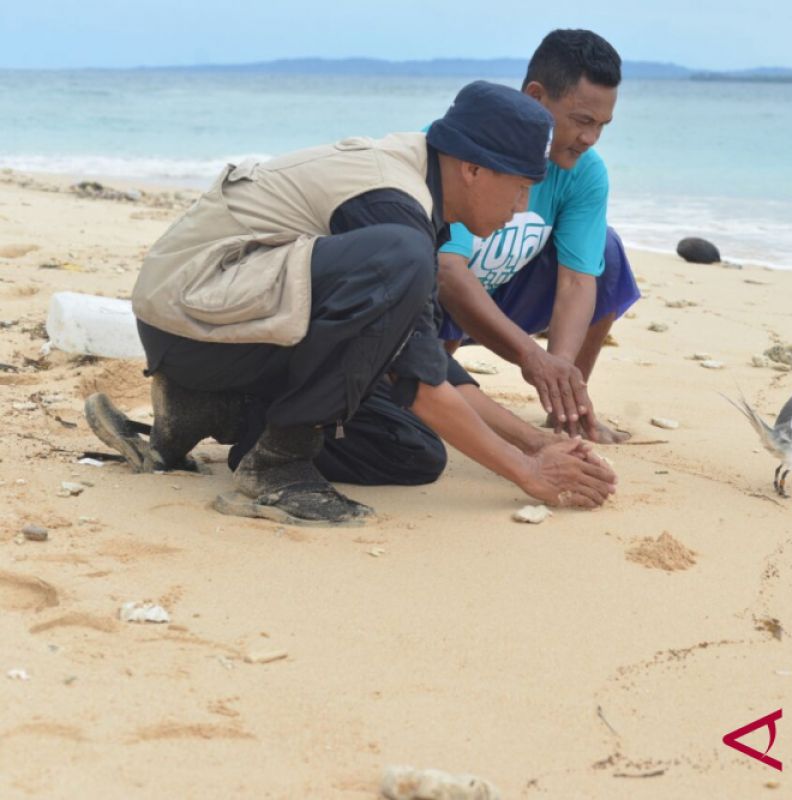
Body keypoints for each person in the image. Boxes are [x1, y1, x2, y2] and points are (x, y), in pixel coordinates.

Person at [84, 81, 617, 527]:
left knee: (412, 450)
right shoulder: (394, 206)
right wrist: (526, 474)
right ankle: (274, 468)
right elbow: (421, 381)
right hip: (190, 317)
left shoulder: (420, 203)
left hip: (231, 324)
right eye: (520, 188)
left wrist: (534, 443)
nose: (522, 207)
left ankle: (209, 408)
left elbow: (425, 358)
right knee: (403, 262)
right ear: (473, 169)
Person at [436, 29, 639, 444]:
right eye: (582, 121)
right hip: (434, 302)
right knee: (427, 416)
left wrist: (560, 374)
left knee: (606, 251)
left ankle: (567, 410)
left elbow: (577, 280)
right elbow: (447, 270)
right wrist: (532, 356)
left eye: (602, 125)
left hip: (505, 293)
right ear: (535, 97)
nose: (590, 139)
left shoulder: (586, 171)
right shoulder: (465, 150)